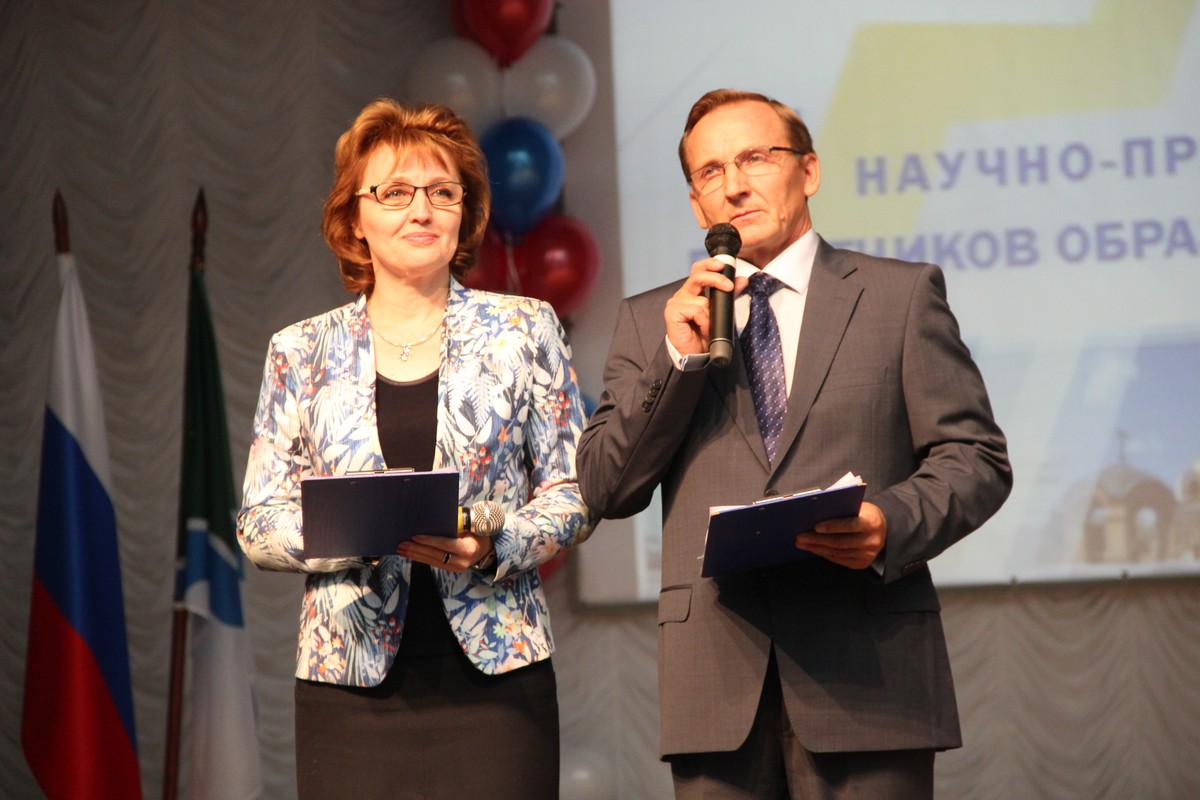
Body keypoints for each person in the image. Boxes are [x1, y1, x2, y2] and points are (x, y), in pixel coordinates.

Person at [577, 88, 1012, 798]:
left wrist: (888, 523)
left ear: (808, 171)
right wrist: (677, 359)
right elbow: (606, 486)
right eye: (711, 172)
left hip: (869, 675)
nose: (734, 185)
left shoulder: (899, 297)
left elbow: (975, 459)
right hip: (716, 683)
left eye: (755, 157)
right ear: (697, 206)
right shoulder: (653, 322)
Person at [237, 98, 591, 799]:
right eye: (396, 193)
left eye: (441, 192)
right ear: (354, 219)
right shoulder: (300, 351)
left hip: (498, 680)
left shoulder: (525, 329)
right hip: (348, 685)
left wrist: (494, 541)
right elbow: (257, 521)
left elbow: (573, 491)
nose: (421, 210)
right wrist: (345, 531)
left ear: (465, 212)